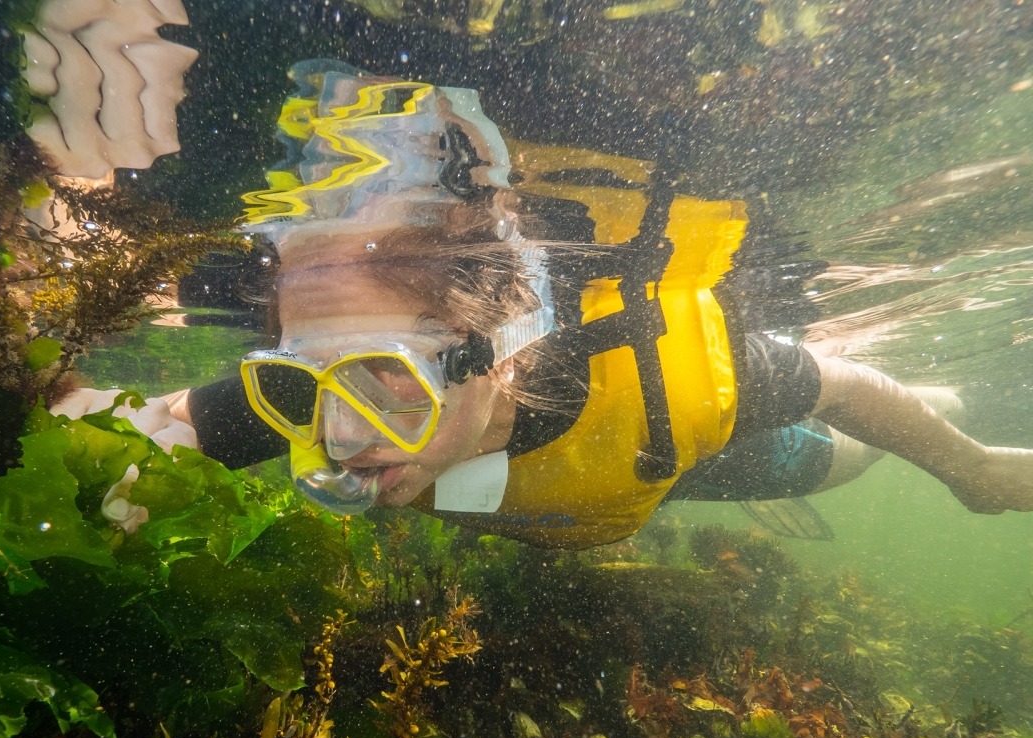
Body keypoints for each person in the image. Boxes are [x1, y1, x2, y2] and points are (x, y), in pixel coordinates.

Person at [53, 62, 1033, 548]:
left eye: (388, 383)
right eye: (294, 387)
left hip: (673, 455)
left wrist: (973, 472)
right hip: (574, 488)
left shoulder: (657, 382)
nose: (337, 438)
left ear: (498, 353)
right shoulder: (319, 398)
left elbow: (845, 383)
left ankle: (943, 400)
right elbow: (162, 421)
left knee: (828, 457)